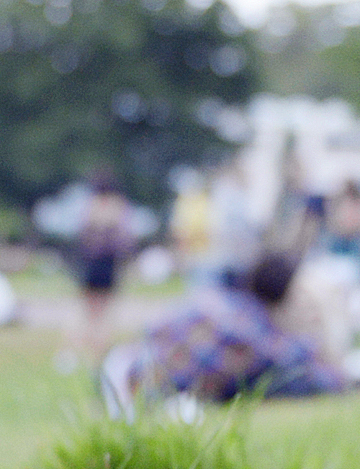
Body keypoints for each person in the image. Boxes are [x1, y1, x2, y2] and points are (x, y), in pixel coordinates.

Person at [119, 249, 346, 407]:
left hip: (125, 366)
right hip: (142, 393)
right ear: (283, 299)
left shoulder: (222, 298)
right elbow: (328, 379)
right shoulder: (256, 336)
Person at [72, 174, 133, 347]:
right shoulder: (118, 206)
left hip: (92, 261)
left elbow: (82, 233)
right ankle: (99, 339)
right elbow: (125, 239)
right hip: (108, 262)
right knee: (105, 305)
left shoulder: (90, 205)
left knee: (89, 304)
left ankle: (88, 337)